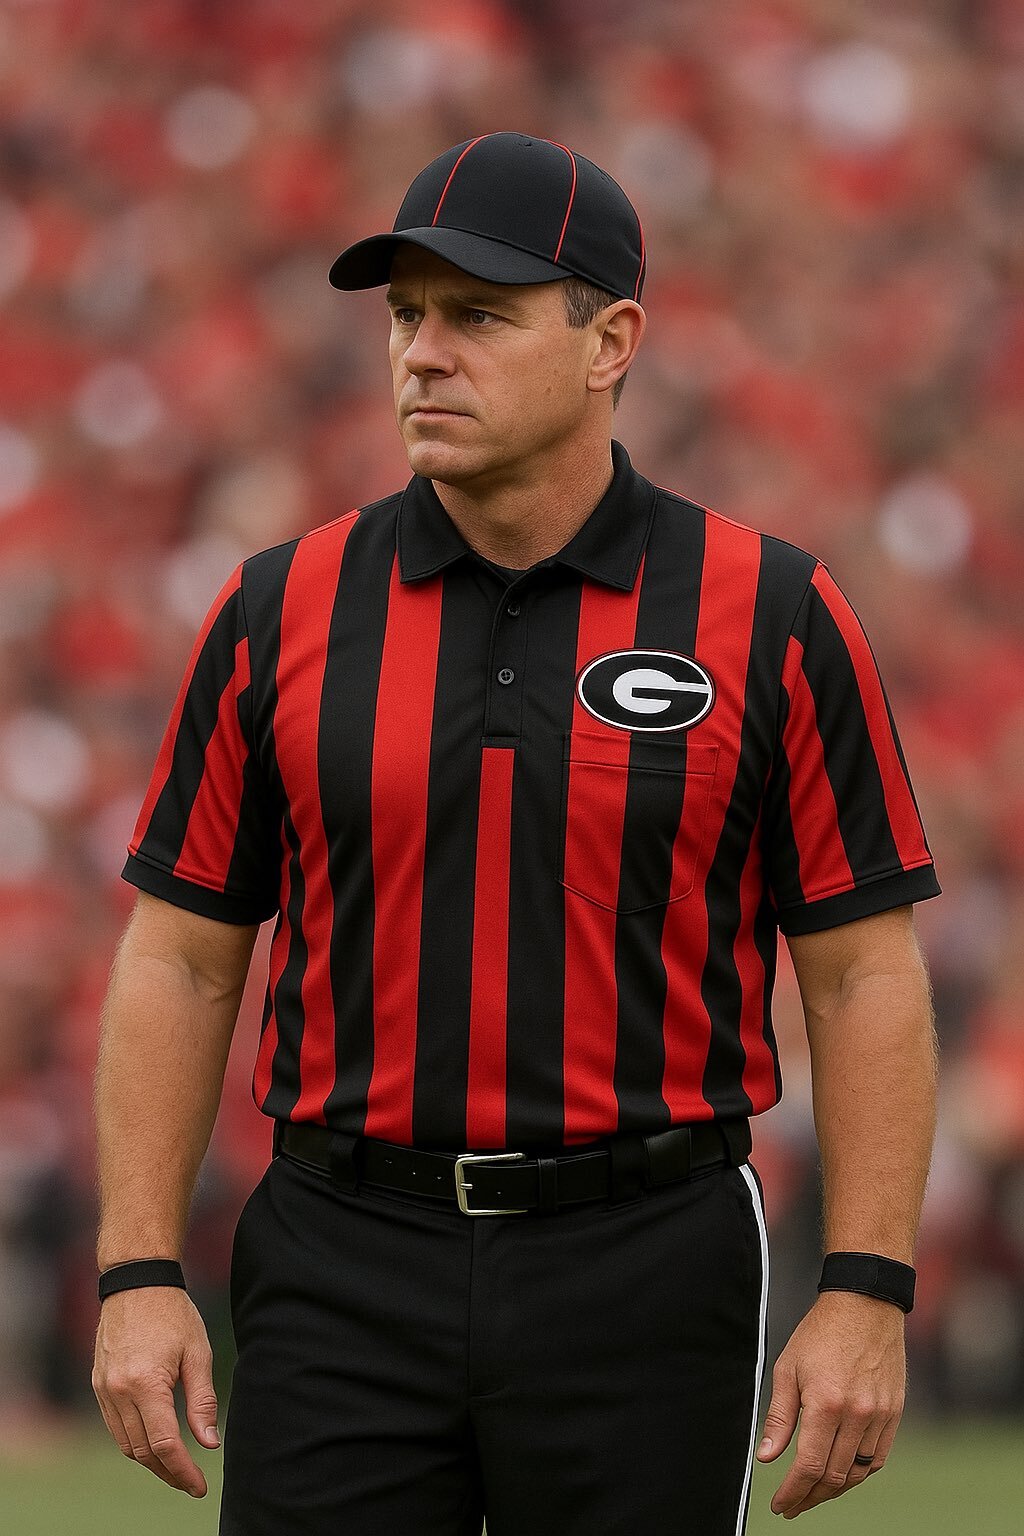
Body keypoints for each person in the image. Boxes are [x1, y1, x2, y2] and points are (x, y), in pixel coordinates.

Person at [91, 132, 940, 1535]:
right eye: (406, 317)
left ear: (611, 341)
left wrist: (866, 1287)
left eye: (477, 315)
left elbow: (863, 974)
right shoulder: (278, 607)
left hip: (646, 1256)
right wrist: (135, 1272)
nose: (423, 354)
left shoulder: (773, 610)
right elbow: (181, 958)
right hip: (339, 1253)